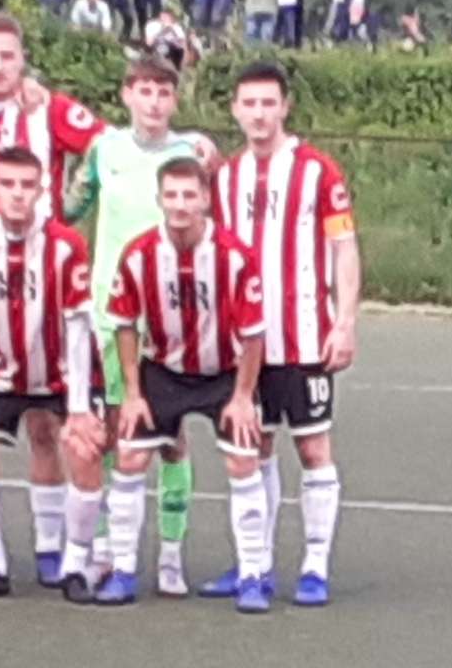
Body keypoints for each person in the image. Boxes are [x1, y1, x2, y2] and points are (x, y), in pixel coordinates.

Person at [0, 12, 107, 586]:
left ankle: (54, 548)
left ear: (23, 58)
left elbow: (108, 145)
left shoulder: (47, 110)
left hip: (44, 275)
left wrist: (76, 200)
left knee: (45, 430)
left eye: (8, 55)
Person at [201, 61, 361, 607]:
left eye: (269, 103)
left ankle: (315, 565)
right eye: (249, 103)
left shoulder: (318, 172)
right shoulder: (224, 178)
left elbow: (344, 248)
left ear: (285, 107)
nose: (259, 114)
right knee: (255, 448)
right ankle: (257, 563)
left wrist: (344, 321)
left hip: (305, 337)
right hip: (245, 344)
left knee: (313, 447)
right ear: (235, 109)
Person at [64, 56, 217, 596]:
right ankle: (109, 544)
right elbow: (68, 209)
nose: (153, 102)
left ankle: (171, 555)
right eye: (144, 91)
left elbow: (213, 224)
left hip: (172, 318)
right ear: (127, 95)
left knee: (171, 439)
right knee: (116, 432)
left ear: (175, 100)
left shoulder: (192, 153)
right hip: (111, 313)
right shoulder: (104, 149)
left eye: (163, 92)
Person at [103, 157, 270, 612]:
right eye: (171, 195)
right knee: (130, 456)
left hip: (224, 373)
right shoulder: (138, 254)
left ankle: (252, 575)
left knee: (243, 461)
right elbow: (124, 325)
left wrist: (242, 396)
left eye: (189, 195)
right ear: (159, 199)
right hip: (163, 371)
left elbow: (254, 334)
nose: (180, 205)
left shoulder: (235, 256)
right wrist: (133, 394)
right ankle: (122, 570)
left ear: (206, 199)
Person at [0, 147, 103, 600]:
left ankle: (72, 564)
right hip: (2, 372)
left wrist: (79, 407)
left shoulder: (67, 246)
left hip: (61, 372)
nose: (17, 194)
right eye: (8, 184)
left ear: (41, 191)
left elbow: (78, 327)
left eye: (27, 185)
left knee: (84, 448)